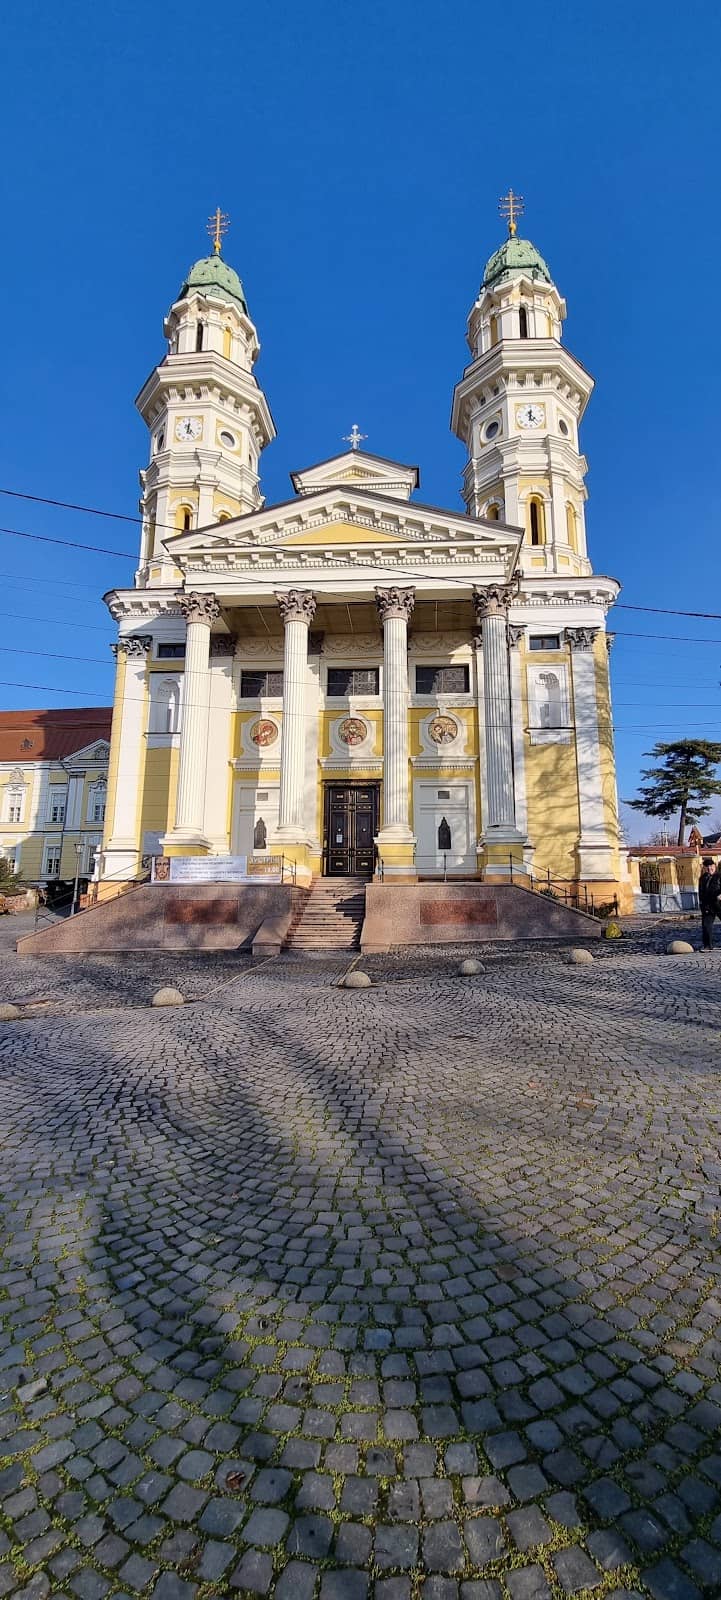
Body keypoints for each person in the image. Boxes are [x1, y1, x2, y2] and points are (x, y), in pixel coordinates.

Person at [699, 857, 718, 950]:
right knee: (706, 925)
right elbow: (701, 892)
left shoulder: (719, 876)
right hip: (708, 906)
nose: (709, 868)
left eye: (711, 866)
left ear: (715, 866)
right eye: (707, 866)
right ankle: (707, 946)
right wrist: (702, 904)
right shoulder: (702, 878)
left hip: (719, 904)